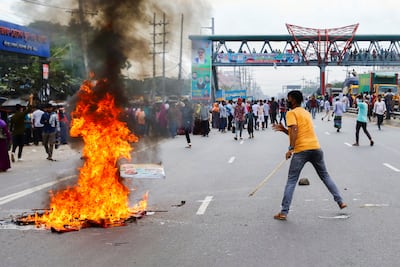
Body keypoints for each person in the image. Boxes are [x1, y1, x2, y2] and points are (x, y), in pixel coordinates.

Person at [272, 90, 347, 220]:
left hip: (301, 150)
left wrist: (290, 148)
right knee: (325, 176)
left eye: (288, 98)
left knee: (291, 180)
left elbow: (295, 130)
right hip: (316, 148)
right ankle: (340, 201)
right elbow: (298, 132)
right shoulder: (305, 112)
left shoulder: (291, 113)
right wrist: (284, 130)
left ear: (294, 100)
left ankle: (284, 212)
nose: (287, 101)